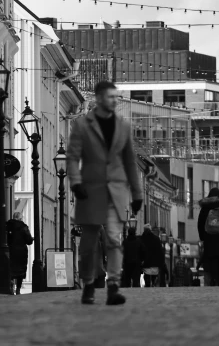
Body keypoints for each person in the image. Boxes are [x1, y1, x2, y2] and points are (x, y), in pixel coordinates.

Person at [67, 80, 143, 306]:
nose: (115, 101)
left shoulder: (123, 126)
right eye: (110, 97)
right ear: (99, 98)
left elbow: (130, 162)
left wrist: (137, 193)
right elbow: (72, 157)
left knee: (113, 240)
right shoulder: (82, 125)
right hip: (90, 191)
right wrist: (76, 182)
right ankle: (89, 284)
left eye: (116, 97)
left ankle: (113, 287)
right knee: (89, 244)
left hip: (116, 192)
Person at [6, 211, 33, 295]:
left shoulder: (8, 226)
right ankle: (18, 289)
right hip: (21, 251)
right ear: (21, 218)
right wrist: (31, 238)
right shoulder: (23, 227)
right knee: (21, 270)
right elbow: (29, 241)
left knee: (11, 268)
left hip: (11, 249)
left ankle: (10, 286)